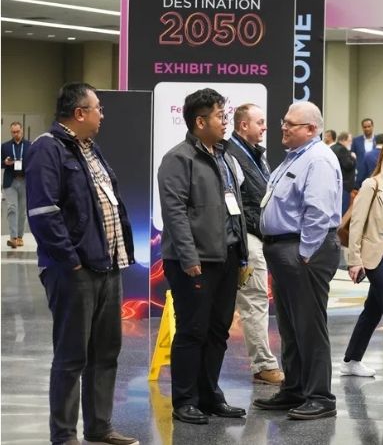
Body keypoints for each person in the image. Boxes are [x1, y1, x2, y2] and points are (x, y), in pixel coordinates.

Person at [27, 82, 137, 445]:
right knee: (71, 356)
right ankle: (64, 435)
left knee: (106, 353)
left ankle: (99, 427)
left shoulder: (90, 149)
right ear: (79, 113)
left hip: (107, 267)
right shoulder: (48, 148)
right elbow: (44, 212)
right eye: (98, 108)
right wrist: (70, 261)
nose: (102, 115)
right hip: (75, 271)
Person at [158, 88, 248, 425]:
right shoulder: (178, 159)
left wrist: (242, 255)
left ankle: (209, 395)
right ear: (200, 122)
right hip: (194, 261)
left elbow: (235, 209)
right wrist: (189, 257)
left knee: (218, 331)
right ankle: (185, 400)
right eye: (219, 116)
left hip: (226, 257)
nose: (225, 122)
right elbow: (175, 213)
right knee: (192, 330)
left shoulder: (224, 157)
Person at [253, 101, 342, 420]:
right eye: (284, 121)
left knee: (309, 325)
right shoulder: (295, 157)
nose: (283, 127)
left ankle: (320, 396)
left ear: (311, 129)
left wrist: (304, 252)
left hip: (305, 252)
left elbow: (318, 211)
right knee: (290, 325)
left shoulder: (318, 159)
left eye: (291, 124)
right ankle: (295, 388)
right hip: (286, 251)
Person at [226, 104, 284, 386]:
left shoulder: (256, 155)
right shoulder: (231, 155)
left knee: (256, 300)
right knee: (254, 300)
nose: (265, 127)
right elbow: (234, 202)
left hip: (261, 235)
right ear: (243, 126)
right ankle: (263, 365)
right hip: (248, 237)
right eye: (260, 122)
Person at [342, 141, 383, 380]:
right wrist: (354, 259)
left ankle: (351, 360)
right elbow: (357, 223)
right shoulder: (372, 185)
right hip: (374, 254)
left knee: (373, 310)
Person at [3, 121, 30, 248]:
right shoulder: (5, 146)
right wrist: (5, 162)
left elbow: (34, 162)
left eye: (17, 131)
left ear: (22, 130)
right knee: (12, 208)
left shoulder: (30, 146)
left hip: (25, 180)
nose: (15, 134)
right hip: (10, 181)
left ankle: (19, 237)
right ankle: (13, 237)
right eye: (13, 132)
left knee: (22, 211)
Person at [331, 131, 356, 215]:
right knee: (342, 212)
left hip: (334, 183)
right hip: (344, 185)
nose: (351, 143)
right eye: (350, 140)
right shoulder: (342, 149)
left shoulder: (332, 147)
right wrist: (353, 158)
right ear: (343, 140)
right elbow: (348, 165)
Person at [352, 118, 377, 189]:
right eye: (365, 127)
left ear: (372, 126)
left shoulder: (378, 139)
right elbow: (352, 155)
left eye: (369, 126)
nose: (367, 129)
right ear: (362, 128)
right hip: (360, 174)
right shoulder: (356, 140)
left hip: (374, 172)